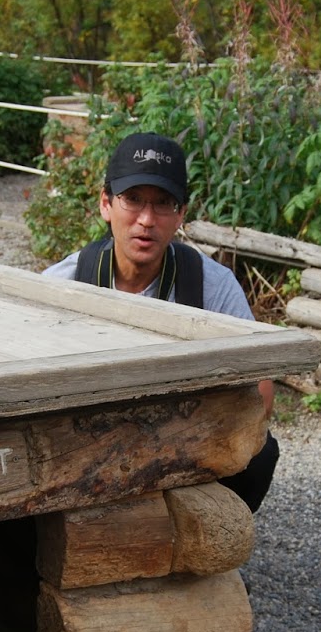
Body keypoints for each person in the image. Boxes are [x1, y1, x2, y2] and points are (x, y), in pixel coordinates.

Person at [43, 132, 280, 513]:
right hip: (87, 442)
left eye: (163, 204)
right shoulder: (63, 283)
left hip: (183, 439)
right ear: (105, 204)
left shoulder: (210, 285)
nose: (146, 220)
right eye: (132, 199)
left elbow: (262, 389)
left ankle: (209, 544)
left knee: (260, 452)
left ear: (181, 213)